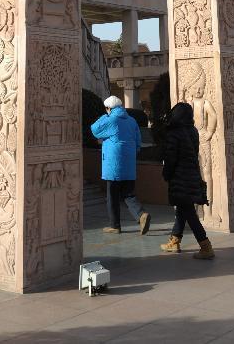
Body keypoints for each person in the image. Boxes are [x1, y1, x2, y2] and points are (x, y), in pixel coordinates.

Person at [160, 101, 214, 259]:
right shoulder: (193, 131)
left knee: (188, 212)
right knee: (184, 208)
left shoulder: (174, 133)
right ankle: (174, 240)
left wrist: (166, 173)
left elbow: (171, 157)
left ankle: (205, 245)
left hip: (180, 176)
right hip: (192, 174)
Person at [91, 95, 151, 235]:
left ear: (109, 108)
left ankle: (115, 226)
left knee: (112, 196)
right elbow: (138, 142)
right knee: (128, 193)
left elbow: (94, 130)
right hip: (129, 163)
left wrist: (105, 116)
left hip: (113, 164)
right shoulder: (132, 120)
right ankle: (141, 214)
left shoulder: (111, 120)